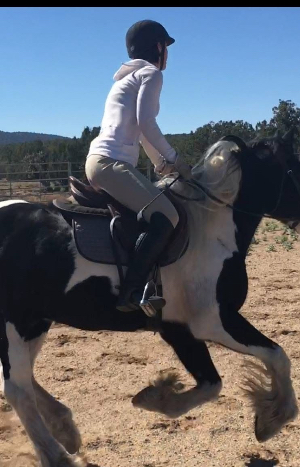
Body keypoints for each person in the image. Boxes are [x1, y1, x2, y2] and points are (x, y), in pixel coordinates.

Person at [85, 19, 192, 312]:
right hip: (110, 163)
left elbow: (141, 132)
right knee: (168, 215)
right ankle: (132, 292)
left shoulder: (125, 79)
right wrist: (175, 158)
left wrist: (161, 164)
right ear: (158, 47)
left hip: (100, 161)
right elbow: (148, 122)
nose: (167, 54)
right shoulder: (151, 74)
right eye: (166, 47)